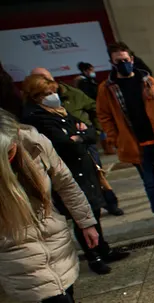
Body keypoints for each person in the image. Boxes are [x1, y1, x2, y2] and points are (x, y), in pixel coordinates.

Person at [0, 108, 129, 303]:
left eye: (11, 149)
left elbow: (65, 182)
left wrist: (86, 222)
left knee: (65, 295)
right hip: (15, 244)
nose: (10, 157)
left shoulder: (34, 143)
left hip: (52, 232)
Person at [21, 74, 130, 275]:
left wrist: (79, 136)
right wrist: (77, 137)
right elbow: (62, 142)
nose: (53, 96)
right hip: (68, 173)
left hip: (84, 169)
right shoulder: (36, 118)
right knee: (81, 215)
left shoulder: (59, 112)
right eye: (47, 93)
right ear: (35, 96)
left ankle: (102, 247)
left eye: (54, 92)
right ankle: (93, 255)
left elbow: (88, 132)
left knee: (93, 212)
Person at [96, 42, 154, 234]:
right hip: (136, 145)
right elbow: (104, 116)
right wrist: (115, 138)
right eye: (118, 61)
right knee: (150, 185)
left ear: (132, 59)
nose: (123, 63)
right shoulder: (108, 88)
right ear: (112, 63)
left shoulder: (147, 80)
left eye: (126, 60)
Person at [30, 68, 123, 216]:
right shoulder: (37, 115)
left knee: (97, 176)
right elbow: (64, 141)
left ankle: (109, 204)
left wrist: (92, 131)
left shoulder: (71, 94)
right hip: (67, 158)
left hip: (86, 146)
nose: (51, 94)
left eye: (48, 79)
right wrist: (80, 135)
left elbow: (94, 110)